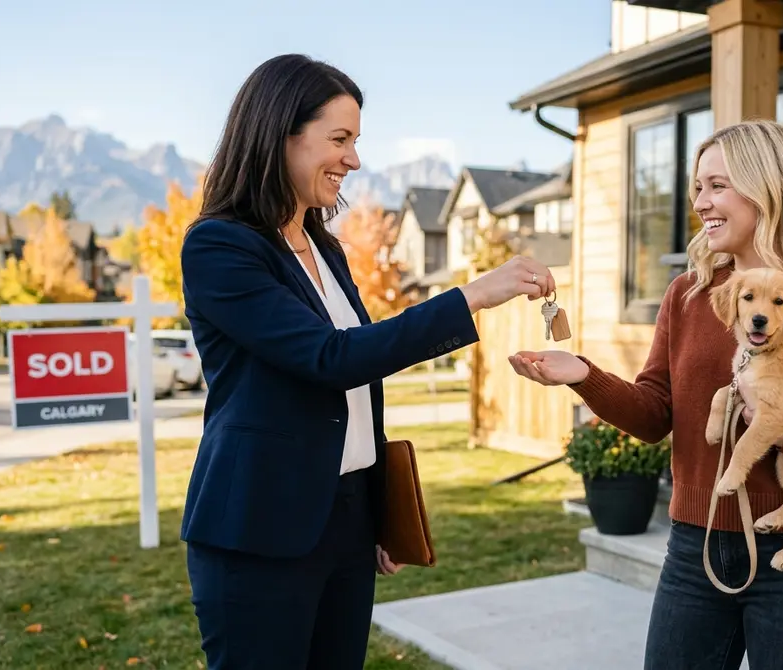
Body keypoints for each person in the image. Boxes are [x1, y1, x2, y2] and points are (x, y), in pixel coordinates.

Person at [178, 53, 556, 670]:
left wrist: (378, 511)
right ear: (280, 134)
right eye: (340, 139)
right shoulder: (220, 246)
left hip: (347, 521)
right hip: (259, 528)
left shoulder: (325, 249)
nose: (353, 160)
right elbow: (331, 358)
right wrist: (470, 296)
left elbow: (357, 385)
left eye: (355, 141)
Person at [508, 118, 783, 669]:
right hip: (694, 550)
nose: (700, 202)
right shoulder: (688, 294)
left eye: (717, 186)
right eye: (698, 187)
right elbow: (655, 414)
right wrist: (584, 375)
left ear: (769, 189)